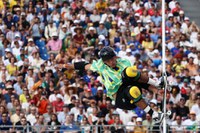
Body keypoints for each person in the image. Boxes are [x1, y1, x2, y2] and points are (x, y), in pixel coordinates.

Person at [61, 46, 163, 122]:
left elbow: (138, 79)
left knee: (130, 73)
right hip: (119, 97)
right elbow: (84, 65)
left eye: (112, 58)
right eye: (108, 60)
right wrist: (67, 66)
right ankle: (153, 114)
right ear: (104, 62)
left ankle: (157, 84)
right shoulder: (101, 66)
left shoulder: (124, 62)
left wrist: (154, 87)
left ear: (115, 56)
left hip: (130, 88)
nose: (112, 61)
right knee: (132, 89)